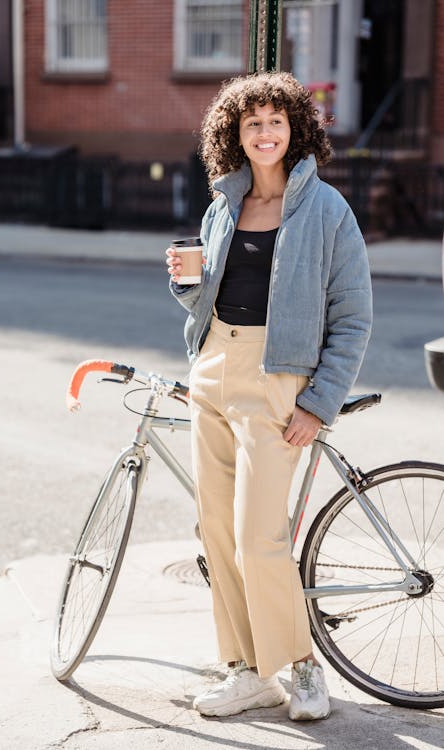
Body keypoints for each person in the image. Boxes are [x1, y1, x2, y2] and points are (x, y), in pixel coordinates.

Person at [166, 71, 372, 721]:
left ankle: (302, 667)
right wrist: (185, 285)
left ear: (295, 131)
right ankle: (247, 670)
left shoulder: (326, 209)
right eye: (251, 123)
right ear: (235, 133)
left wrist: (320, 401)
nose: (264, 132)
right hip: (214, 370)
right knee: (218, 531)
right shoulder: (223, 205)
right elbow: (212, 298)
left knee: (260, 533)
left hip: (278, 378)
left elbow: (354, 315)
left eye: (275, 122)